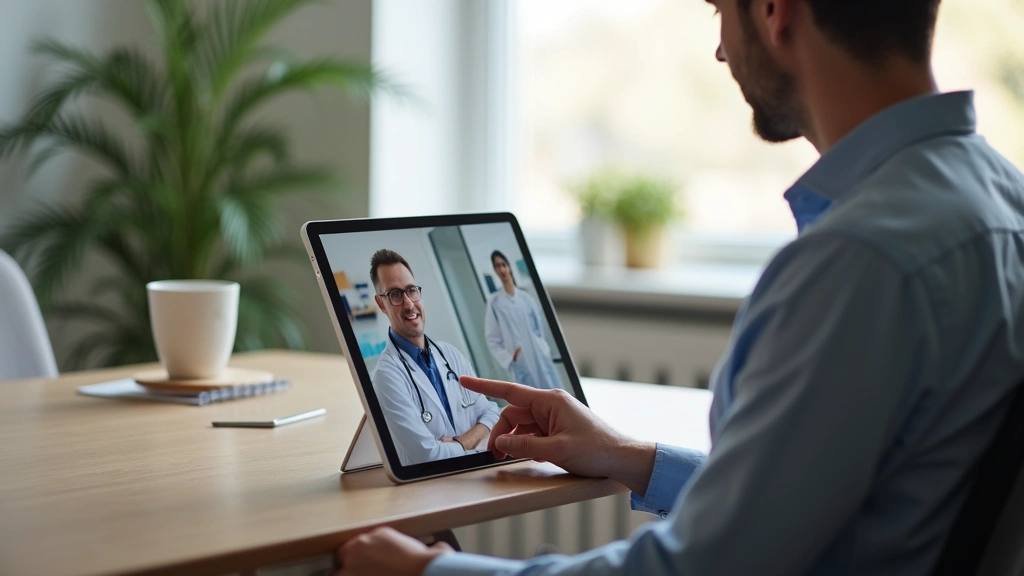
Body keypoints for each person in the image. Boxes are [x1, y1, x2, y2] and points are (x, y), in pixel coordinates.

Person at [334, 0, 1024, 574]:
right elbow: (798, 513)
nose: (722, 50)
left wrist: (432, 573)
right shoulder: (998, 202)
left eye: (720, 10)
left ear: (776, 13)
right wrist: (631, 458)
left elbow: (703, 568)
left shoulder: (858, 261)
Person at [369, 249, 501, 466]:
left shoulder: (450, 354)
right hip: (431, 492)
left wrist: (459, 443)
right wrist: (472, 440)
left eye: (411, 290)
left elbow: (491, 412)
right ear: (381, 304)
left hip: (477, 476)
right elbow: (427, 456)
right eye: (395, 295)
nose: (409, 304)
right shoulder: (386, 376)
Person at [484, 250, 563, 390]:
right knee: (529, 401)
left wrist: (541, 347)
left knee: (553, 394)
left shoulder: (526, 299)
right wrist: (511, 358)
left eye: (503, 264)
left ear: (509, 267)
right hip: (520, 362)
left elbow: (538, 329)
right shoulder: (495, 302)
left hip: (539, 355)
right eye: (497, 266)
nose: (501, 269)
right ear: (495, 270)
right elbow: (492, 339)